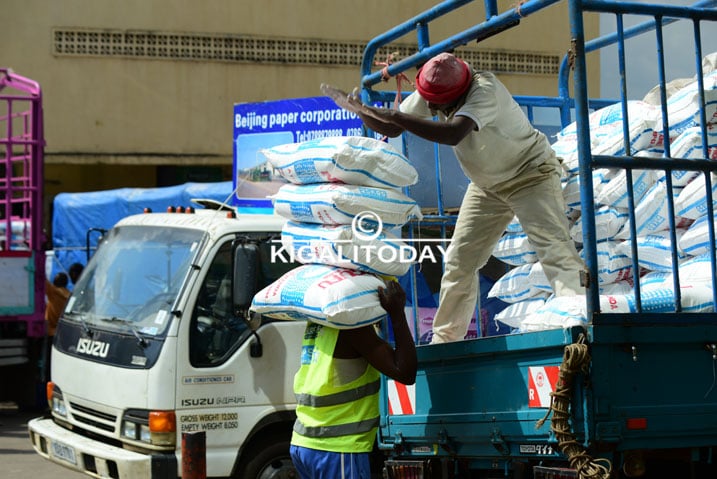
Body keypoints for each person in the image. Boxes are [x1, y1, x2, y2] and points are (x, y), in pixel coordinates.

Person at [322, 52, 585, 343]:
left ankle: (578, 324)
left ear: (457, 93)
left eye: (437, 103)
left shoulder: (484, 89)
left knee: (554, 250)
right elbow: (394, 127)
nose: (431, 107)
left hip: (529, 174)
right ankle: (445, 341)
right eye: (428, 100)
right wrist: (361, 111)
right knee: (459, 262)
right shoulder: (435, 88)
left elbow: (453, 133)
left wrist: (394, 114)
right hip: (487, 187)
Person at [289, 280, 417, 479]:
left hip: (303, 443)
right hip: (337, 447)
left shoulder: (317, 322)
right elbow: (405, 372)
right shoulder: (352, 328)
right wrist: (397, 313)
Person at [45, 272, 71, 381]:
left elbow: (44, 282)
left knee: (48, 364)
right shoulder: (70, 296)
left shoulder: (54, 293)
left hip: (51, 333)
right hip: (64, 334)